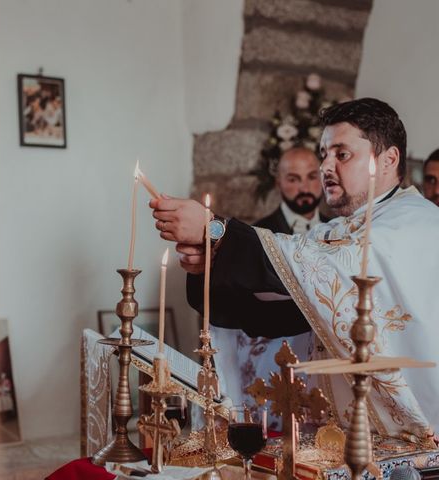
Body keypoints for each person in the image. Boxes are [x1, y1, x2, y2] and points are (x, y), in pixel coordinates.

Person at [150, 98, 439, 443]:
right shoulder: (345, 228)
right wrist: (209, 265)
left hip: (414, 443)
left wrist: (216, 230)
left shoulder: (413, 222)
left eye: (342, 154)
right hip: (348, 440)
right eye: (324, 154)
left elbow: (325, 262)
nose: (326, 167)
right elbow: (280, 314)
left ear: (389, 159)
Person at [235, 147, 329, 428]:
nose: (305, 187)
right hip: (277, 358)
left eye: (312, 177)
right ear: (278, 182)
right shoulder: (257, 235)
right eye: (293, 179)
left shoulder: (338, 230)